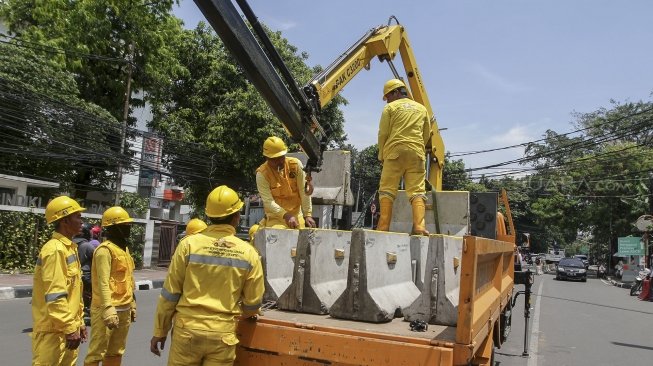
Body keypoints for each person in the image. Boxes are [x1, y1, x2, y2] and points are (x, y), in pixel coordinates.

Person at [150, 185, 265, 365]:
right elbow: (253, 303)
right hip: (222, 335)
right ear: (236, 217)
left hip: (186, 331)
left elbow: (169, 294)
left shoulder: (188, 245)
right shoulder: (248, 253)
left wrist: (160, 331)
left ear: (209, 216)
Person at [32, 195, 87, 365]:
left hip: (67, 329)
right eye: (77, 217)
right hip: (53, 332)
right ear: (64, 221)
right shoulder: (54, 250)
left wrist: (80, 323)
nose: (81, 221)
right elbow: (55, 295)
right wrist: (70, 328)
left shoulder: (70, 248)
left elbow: (73, 292)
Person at [377, 78, 431, 235]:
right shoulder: (422, 109)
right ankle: (419, 227)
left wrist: (382, 154)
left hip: (394, 152)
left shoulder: (390, 109)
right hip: (417, 154)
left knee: (387, 190)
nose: (387, 100)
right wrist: (417, 147)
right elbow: (426, 134)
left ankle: (383, 227)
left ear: (395, 92)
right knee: (417, 191)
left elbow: (383, 133)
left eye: (388, 96)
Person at [84, 206, 136, 366]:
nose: (128, 229)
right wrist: (108, 308)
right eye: (124, 225)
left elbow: (128, 279)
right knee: (96, 352)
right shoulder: (104, 251)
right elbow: (103, 282)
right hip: (106, 310)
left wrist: (132, 303)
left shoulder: (124, 249)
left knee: (116, 351)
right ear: (114, 228)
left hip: (124, 309)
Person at [256, 136, 316, 229]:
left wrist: (308, 214)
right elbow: (268, 201)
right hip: (276, 219)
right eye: (275, 159)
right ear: (267, 158)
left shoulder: (295, 165)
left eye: (281, 157)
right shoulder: (262, 175)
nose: (280, 161)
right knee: (277, 237)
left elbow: (303, 191)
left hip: (297, 217)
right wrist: (286, 215)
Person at [73, 223, 96, 324]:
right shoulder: (87, 246)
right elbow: (97, 259)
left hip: (75, 275)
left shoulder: (71, 243)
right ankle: (91, 310)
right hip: (86, 276)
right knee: (96, 293)